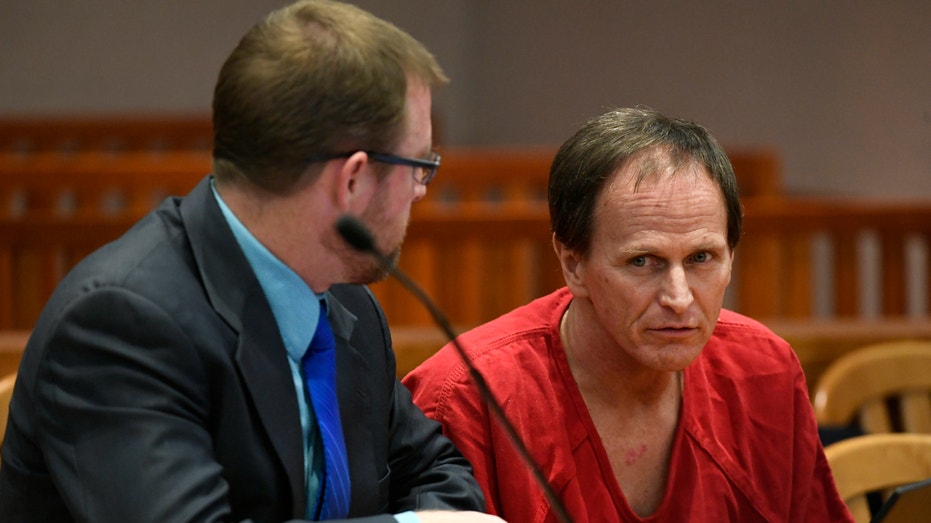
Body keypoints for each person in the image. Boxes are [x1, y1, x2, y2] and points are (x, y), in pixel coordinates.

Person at [0, 1, 504, 522]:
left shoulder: (344, 301)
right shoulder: (121, 323)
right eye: (420, 166)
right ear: (352, 181)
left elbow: (436, 474)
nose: (421, 192)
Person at [404, 107, 854, 522]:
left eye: (701, 258)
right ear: (573, 264)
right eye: (643, 261)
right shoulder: (465, 398)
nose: (679, 298)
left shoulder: (764, 370)